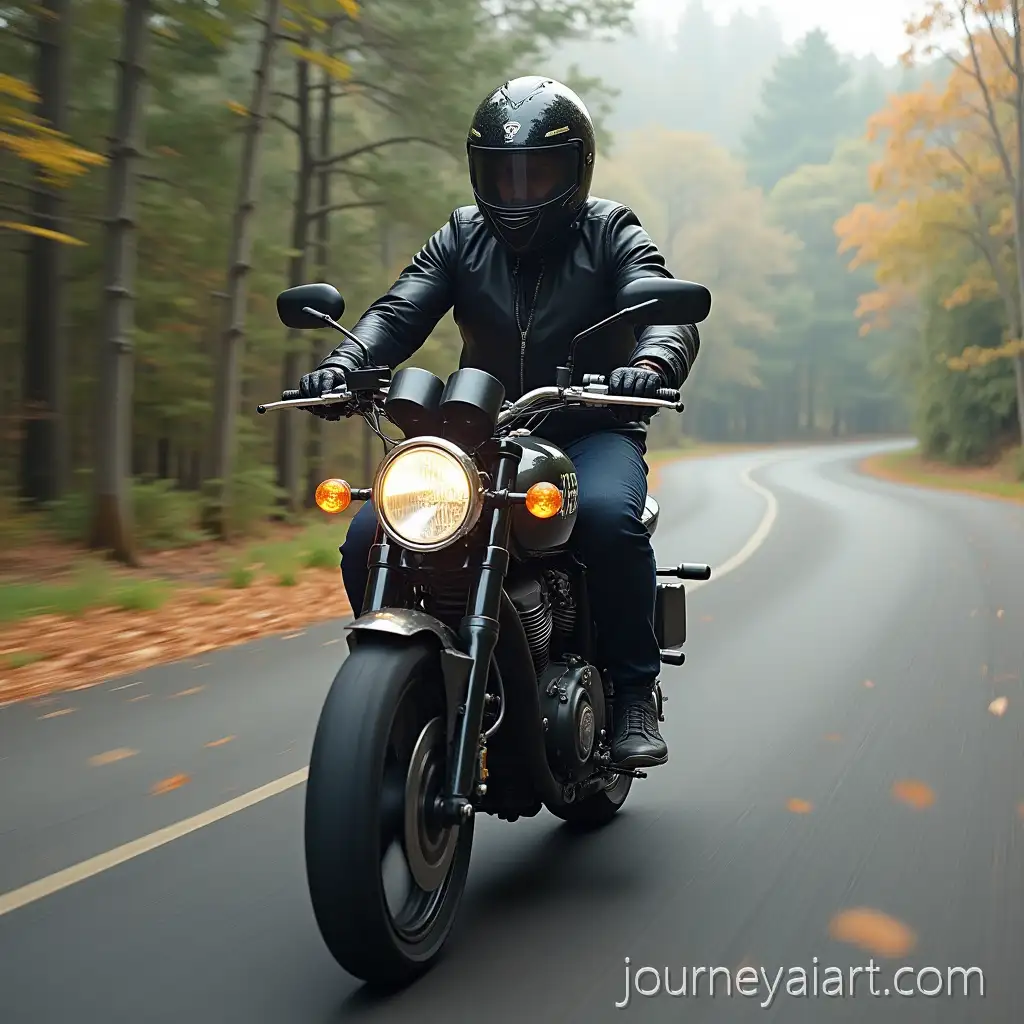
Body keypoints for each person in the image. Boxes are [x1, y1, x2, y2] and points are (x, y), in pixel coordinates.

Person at [296, 76, 701, 768]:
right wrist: (345, 363)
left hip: (590, 428)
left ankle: (633, 690)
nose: (517, 193)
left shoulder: (610, 231)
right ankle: (402, 685)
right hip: (477, 433)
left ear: (575, 171)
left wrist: (653, 363)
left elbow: (660, 309)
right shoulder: (461, 234)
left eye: (537, 173)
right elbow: (399, 310)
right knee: (371, 531)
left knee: (606, 518)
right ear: (478, 172)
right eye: (501, 175)